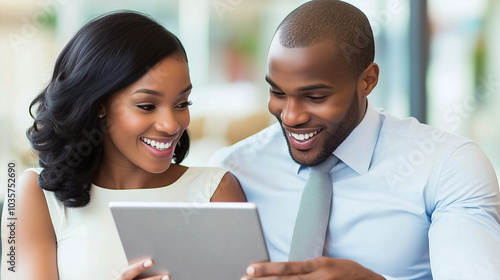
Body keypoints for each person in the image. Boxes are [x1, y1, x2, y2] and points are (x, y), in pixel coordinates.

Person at [209, 0, 500, 279]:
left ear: (368, 81)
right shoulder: (233, 171)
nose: (290, 116)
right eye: (278, 93)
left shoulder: (447, 166)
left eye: (315, 97)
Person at [0, 11, 246, 280]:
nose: (171, 124)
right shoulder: (35, 195)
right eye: (147, 106)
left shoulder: (216, 191)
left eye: (182, 104)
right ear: (100, 104)